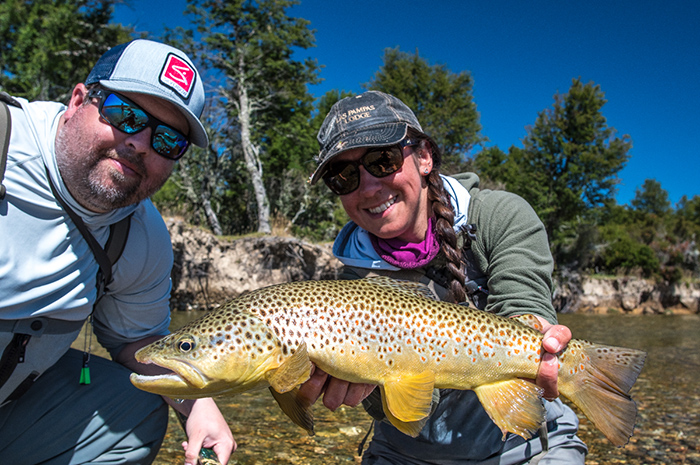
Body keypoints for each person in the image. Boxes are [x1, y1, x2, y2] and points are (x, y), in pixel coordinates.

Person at [301, 91, 588, 464]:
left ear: (424, 157)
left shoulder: (499, 216)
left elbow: (525, 307)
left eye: (383, 160)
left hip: (525, 442)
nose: (368, 187)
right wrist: (365, 382)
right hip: (405, 454)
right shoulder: (347, 286)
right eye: (343, 177)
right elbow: (415, 407)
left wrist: (542, 347)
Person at [0, 39, 234, 465]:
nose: (141, 143)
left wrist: (197, 402)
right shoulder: (6, 146)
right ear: (76, 100)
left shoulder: (141, 236)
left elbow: (135, 340)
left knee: (136, 409)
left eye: (167, 140)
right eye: (125, 114)